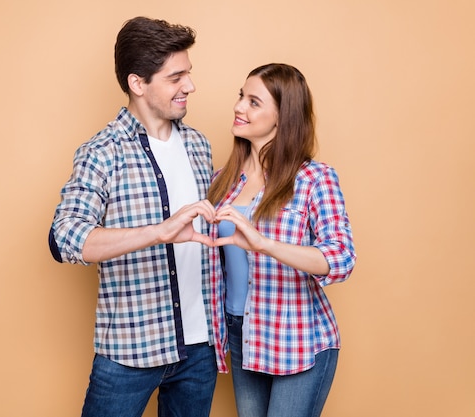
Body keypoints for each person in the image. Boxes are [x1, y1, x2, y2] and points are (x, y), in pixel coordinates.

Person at [48, 16, 219, 417]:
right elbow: (65, 239)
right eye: (176, 77)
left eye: (188, 74)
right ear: (138, 83)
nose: (190, 86)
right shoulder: (102, 152)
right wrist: (158, 232)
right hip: (129, 349)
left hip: (199, 350)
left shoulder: (199, 146)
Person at [207, 63, 357, 417]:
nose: (239, 107)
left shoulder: (313, 179)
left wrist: (265, 244)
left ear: (282, 116)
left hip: (298, 337)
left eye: (254, 102)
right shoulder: (222, 182)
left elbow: (341, 258)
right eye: (240, 96)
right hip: (242, 331)